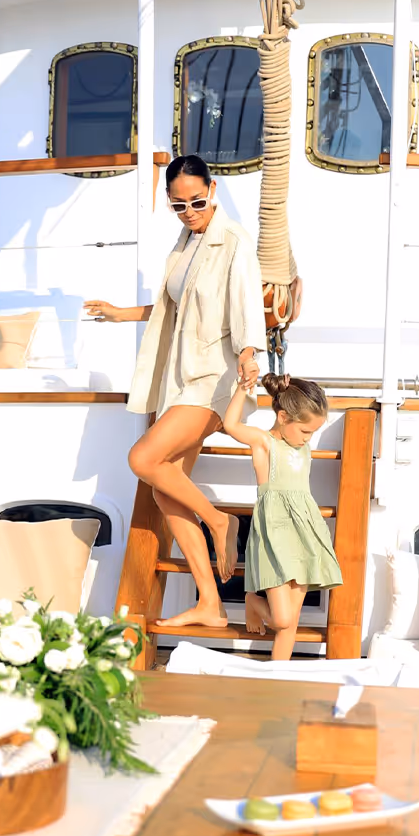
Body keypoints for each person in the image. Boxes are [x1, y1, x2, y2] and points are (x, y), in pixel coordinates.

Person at [85, 154, 266, 628]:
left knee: (143, 460)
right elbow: (177, 305)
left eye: (197, 201)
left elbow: (247, 304)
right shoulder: (186, 240)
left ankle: (219, 521)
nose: (189, 211)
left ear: (213, 191)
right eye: (178, 205)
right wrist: (122, 313)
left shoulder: (234, 241)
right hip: (181, 378)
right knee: (166, 494)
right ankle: (210, 602)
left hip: (215, 378)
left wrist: (250, 352)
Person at [222, 373, 342, 661]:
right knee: (282, 619)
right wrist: (242, 389)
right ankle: (252, 599)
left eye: (312, 433)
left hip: (304, 534)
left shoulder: (302, 447)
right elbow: (230, 425)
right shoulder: (264, 443)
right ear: (283, 416)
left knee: (291, 624)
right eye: (305, 431)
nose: (308, 439)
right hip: (274, 535)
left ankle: (278, 678)